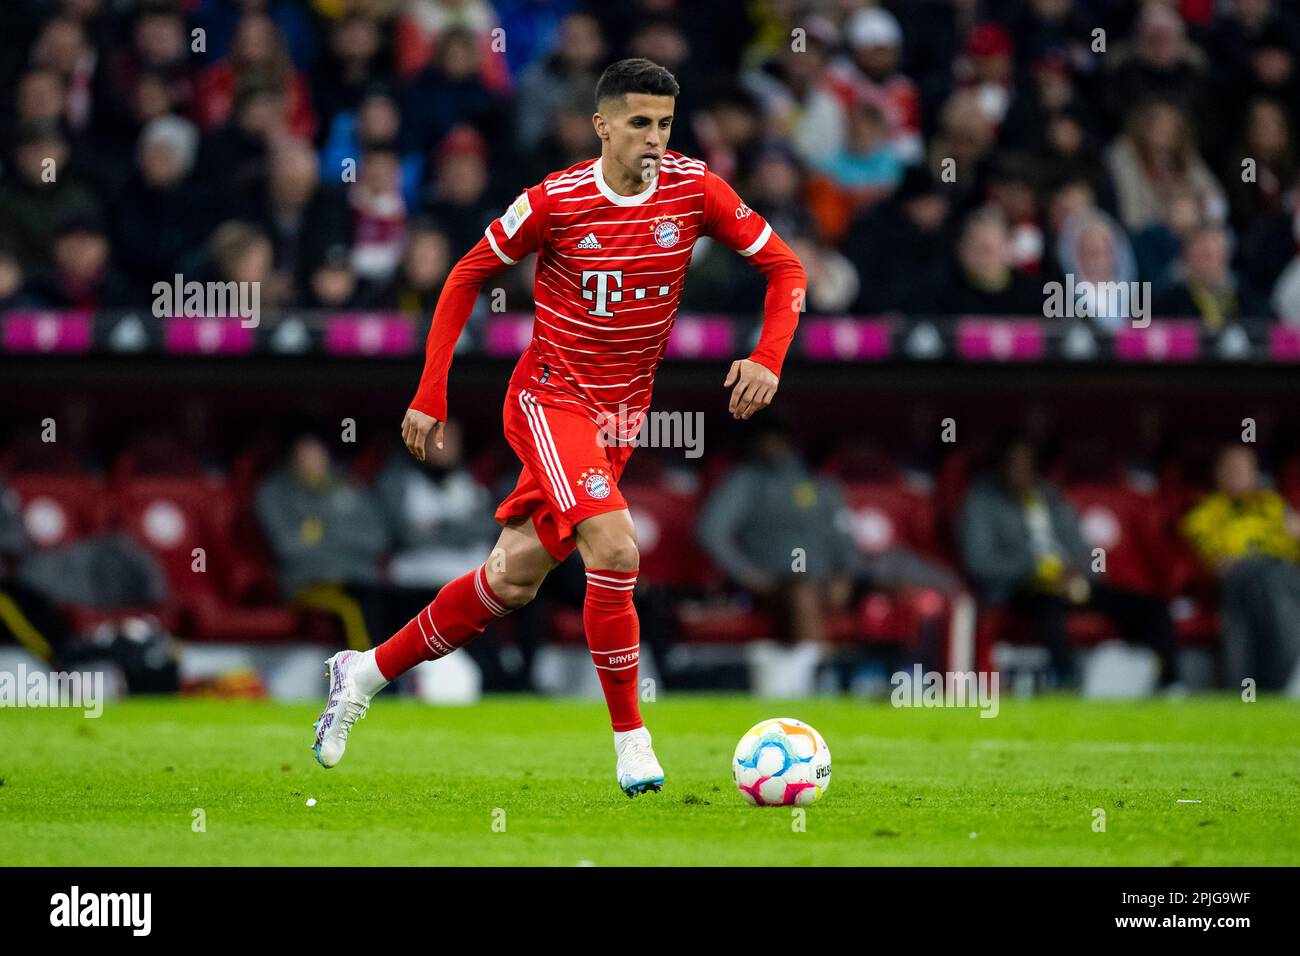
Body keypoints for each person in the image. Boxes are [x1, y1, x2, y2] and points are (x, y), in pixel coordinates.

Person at [311, 59, 805, 798]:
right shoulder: (556, 201)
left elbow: (787, 269)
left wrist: (768, 357)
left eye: (665, 124)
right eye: (640, 123)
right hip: (550, 399)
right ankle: (632, 742)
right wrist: (430, 391)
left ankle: (365, 671)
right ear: (601, 125)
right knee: (616, 544)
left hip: (619, 419)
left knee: (509, 580)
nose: (654, 138)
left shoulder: (696, 189)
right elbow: (464, 276)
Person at [959, 436, 1179, 689]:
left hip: (1070, 583)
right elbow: (980, 563)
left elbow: (1084, 551)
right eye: (1013, 463)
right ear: (999, 466)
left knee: (1150, 607)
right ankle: (1066, 680)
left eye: (1027, 464)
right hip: (1018, 590)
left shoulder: (1050, 497)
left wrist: (1074, 572)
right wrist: (1037, 569)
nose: (1021, 470)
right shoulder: (981, 501)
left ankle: (1169, 684)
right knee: (1046, 605)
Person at [1182, 444, 1300, 690]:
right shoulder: (1204, 513)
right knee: (1264, 581)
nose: (1239, 474)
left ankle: (1276, 682)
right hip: (1240, 580)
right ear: (1218, 473)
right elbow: (1220, 563)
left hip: (1285, 577)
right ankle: (1275, 684)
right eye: (1232, 468)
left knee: (1277, 581)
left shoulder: (1273, 505)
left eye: (1245, 469)